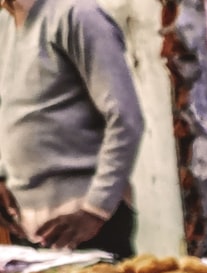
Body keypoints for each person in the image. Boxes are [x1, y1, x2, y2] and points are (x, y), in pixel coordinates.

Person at [0, 0, 144, 258]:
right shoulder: (3, 26)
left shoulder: (78, 15)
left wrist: (94, 210)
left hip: (85, 221)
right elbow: (9, 113)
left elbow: (124, 117)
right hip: (27, 227)